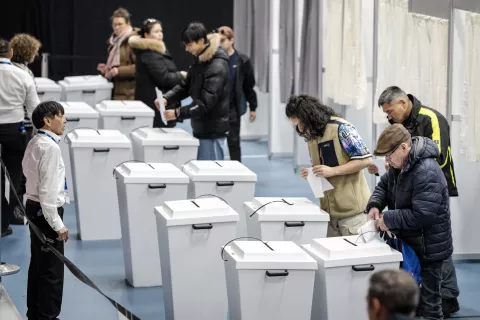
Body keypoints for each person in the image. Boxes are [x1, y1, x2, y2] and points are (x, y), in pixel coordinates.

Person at [369, 86, 460, 317]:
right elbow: (384, 186)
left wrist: (388, 218)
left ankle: (448, 300)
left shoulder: (426, 170)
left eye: (389, 156)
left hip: (429, 247)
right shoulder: (401, 164)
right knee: (417, 301)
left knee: (431, 305)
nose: (387, 162)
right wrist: (375, 205)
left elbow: (422, 215)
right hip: (412, 240)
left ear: (403, 147)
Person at [286, 94, 372, 236]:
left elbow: (365, 160)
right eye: (296, 126)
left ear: (309, 117)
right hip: (329, 213)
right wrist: (312, 173)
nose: (300, 130)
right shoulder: (312, 136)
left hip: (353, 216)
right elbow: (324, 167)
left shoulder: (342, 129)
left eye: (300, 124)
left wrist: (333, 171)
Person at [156, 22, 229, 160]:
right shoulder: (200, 61)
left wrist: (178, 113)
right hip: (201, 127)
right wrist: (167, 98)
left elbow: (205, 104)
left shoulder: (217, 65)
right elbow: (186, 85)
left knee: (211, 175)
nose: (186, 49)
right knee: (203, 173)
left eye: (189, 45)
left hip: (212, 130)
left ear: (201, 41)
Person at [22, 101, 68, 320]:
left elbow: (27, 173)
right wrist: (58, 225)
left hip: (33, 209)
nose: (65, 120)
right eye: (61, 116)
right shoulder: (51, 147)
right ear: (47, 120)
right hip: (46, 213)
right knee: (52, 270)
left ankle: (36, 314)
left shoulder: (35, 142)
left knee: (38, 265)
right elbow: (48, 194)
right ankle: (48, 316)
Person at [0, 38, 39, 237]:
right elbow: (34, 109)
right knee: (14, 177)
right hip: (14, 131)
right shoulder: (23, 76)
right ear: (11, 54)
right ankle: (5, 223)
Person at [129, 18, 186, 128]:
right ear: (146, 34)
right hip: (155, 105)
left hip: (159, 103)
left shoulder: (155, 51)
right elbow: (163, 78)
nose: (160, 34)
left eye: (161, 31)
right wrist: (181, 75)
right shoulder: (149, 53)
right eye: (156, 32)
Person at [10, 33, 42, 225]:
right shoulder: (25, 73)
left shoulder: (7, 69)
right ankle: (16, 209)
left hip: (8, 124)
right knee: (20, 171)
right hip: (23, 127)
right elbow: (32, 106)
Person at [215, 26, 257, 162]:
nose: (220, 44)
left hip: (233, 108)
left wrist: (253, 107)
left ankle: (237, 171)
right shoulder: (213, 59)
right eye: (218, 41)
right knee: (214, 143)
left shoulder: (242, 60)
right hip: (215, 108)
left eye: (223, 41)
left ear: (231, 40)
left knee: (233, 142)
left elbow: (248, 86)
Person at [97, 7, 138, 100]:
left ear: (128, 24)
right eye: (114, 24)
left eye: (120, 24)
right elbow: (114, 64)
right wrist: (107, 69)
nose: (116, 27)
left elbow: (139, 68)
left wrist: (119, 71)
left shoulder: (133, 41)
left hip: (128, 94)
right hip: (113, 91)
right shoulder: (113, 42)